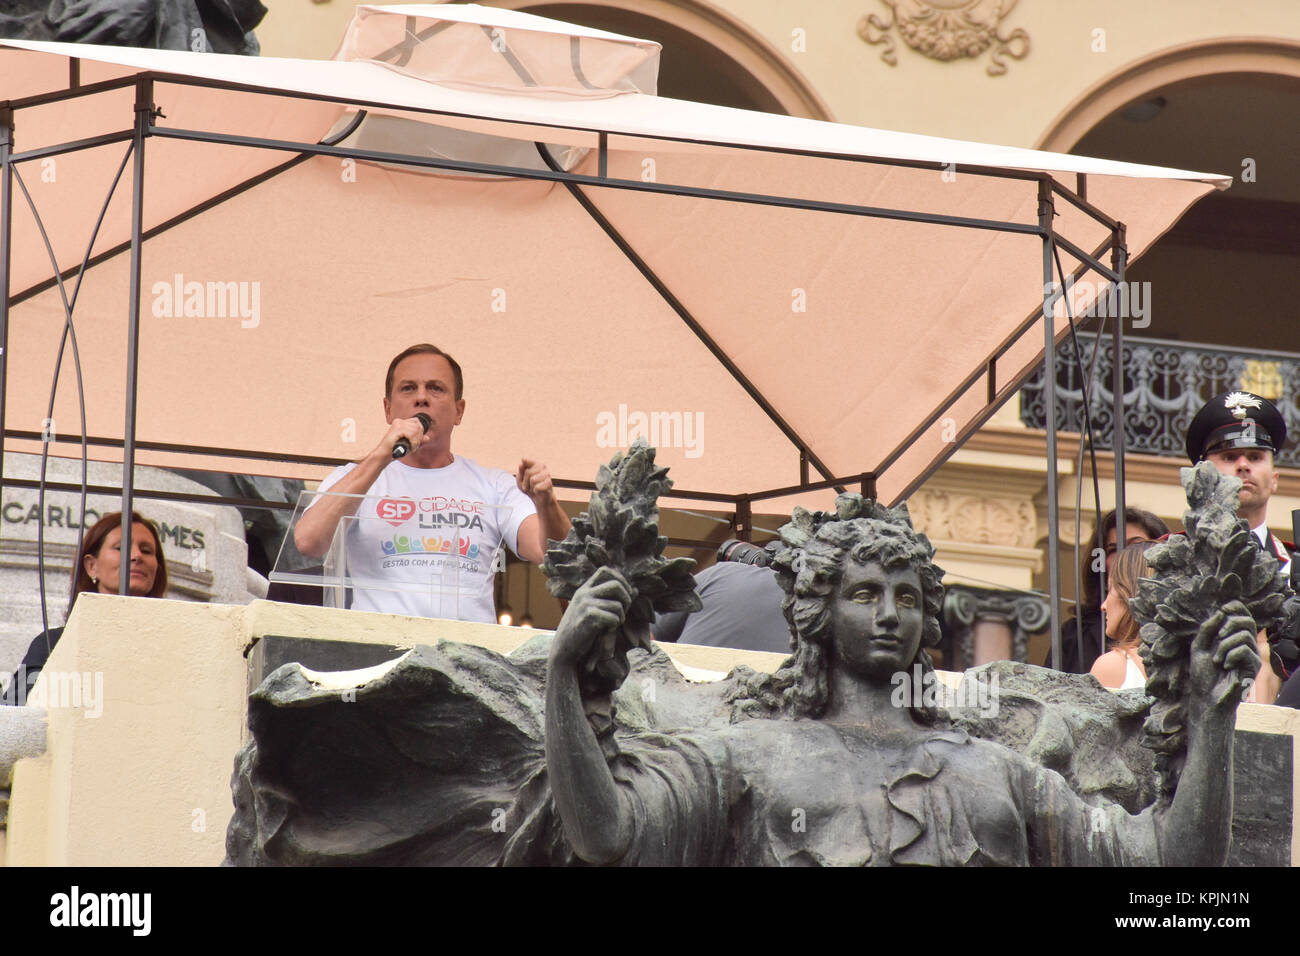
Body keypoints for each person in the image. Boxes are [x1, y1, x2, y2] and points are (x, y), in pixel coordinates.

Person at [543, 495, 1257, 866]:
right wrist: (564, 679)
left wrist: (1211, 716)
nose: (889, 614)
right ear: (818, 614)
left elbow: (1170, 865)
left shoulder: (1001, 776)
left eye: (908, 597)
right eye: (864, 594)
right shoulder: (744, 757)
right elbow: (607, 836)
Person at [294, 343, 570, 624]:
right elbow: (309, 542)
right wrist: (381, 456)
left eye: (436, 388)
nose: (421, 398)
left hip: (468, 657)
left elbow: (553, 554)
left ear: (459, 411)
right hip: (378, 656)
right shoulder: (354, 477)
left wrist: (546, 503)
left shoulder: (495, 485)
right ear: (388, 410)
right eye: (408, 388)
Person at [1186, 390, 1292, 702]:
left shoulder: (1294, 566)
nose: (1243, 465)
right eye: (1230, 457)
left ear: (1274, 478)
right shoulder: (1173, 557)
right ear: (1203, 476)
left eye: (1256, 457)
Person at [3, 511, 168, 706]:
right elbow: (14, 715)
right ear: (91, 566)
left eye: (147, 550)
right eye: (121, 547)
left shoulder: (172, 645)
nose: (136, 556)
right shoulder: (53, 644)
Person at [1047, 506, 1168, 674]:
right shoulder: (1074, 636)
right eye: (1113, 549)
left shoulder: (1181, 633)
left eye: (1136, 546)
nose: (1124, 556)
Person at [1090, 541, 1157, 690]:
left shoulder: (1113, 666)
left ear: (1131, 592)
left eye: (1110, 589)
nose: (1103, 606)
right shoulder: (1195, 662)